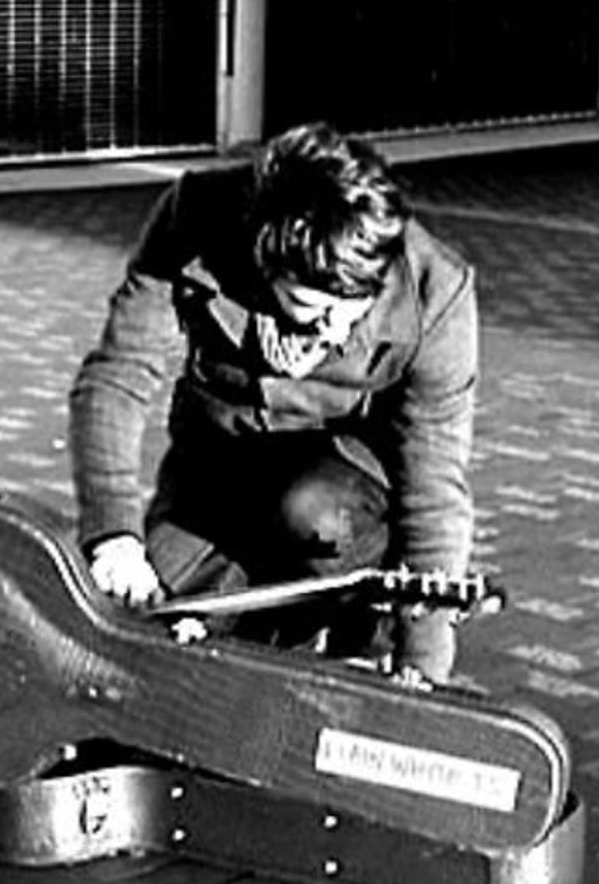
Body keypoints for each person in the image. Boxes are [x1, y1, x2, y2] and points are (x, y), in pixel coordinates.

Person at [67, 122, 478, 685]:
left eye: (354, 307)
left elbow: (434, 484)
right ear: (267, 259)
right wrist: (114, 533)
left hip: (339, 499)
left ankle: (352, 633)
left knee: (313, 512)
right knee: (142, 633)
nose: (335, 332)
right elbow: (117, 377)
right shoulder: (195, 215)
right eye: (314, 308)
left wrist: (422, 664)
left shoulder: (438, 291)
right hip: (217, 480)